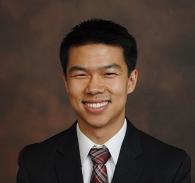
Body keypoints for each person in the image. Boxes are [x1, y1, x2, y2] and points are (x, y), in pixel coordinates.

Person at [17, 19, 191, 183]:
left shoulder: (171, 166)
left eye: (109, 74)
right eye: (80, 74)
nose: (94, 88)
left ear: (131, 81)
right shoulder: (34, 163)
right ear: (66, 83)